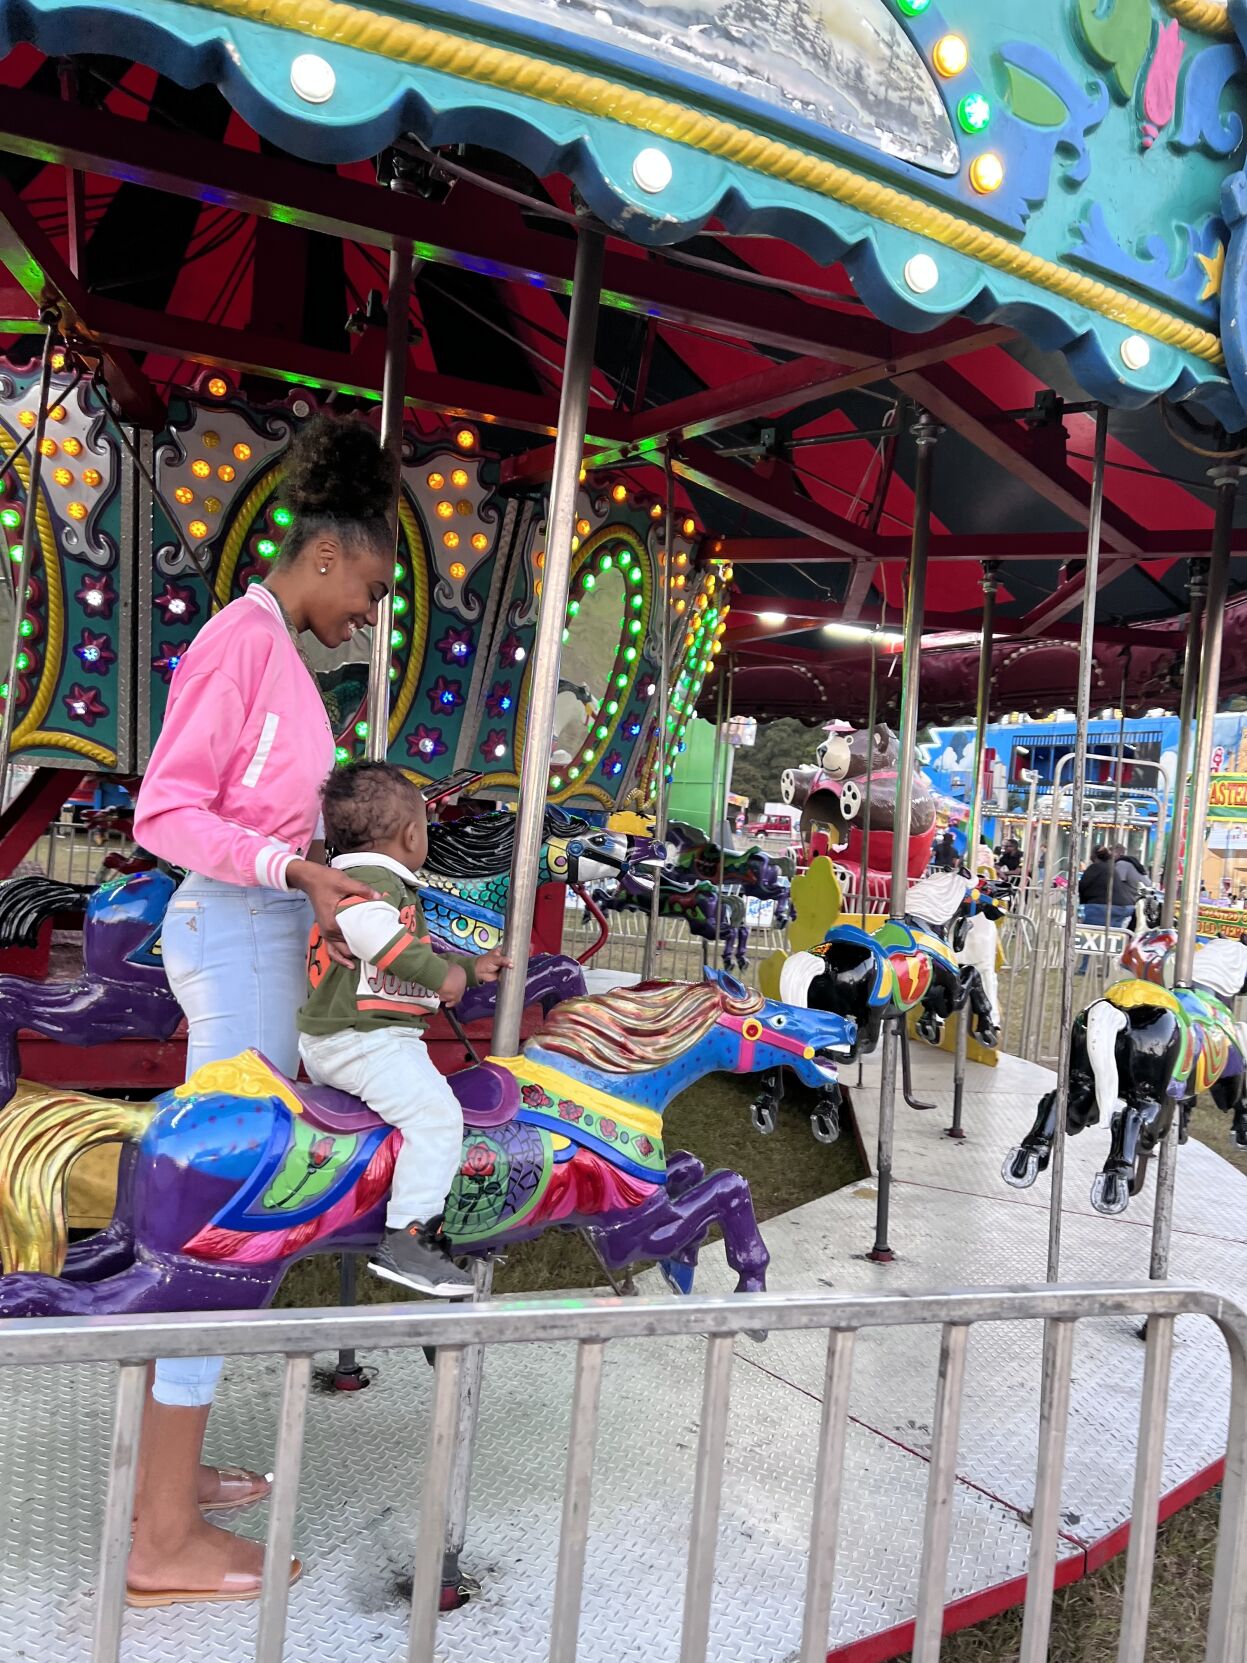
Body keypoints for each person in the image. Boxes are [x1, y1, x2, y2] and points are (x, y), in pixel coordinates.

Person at [128, 415, 399, 1604]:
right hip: (235, 936)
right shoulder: (242, 642)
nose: (370, 616)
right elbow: (165, 812)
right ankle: (159, 1544)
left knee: (238, 1204)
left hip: (261, 937)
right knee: (227, 1215)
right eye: (371, 590)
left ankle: (168, 1486)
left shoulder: (277, 649)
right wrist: (294, 874)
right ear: (326, 557)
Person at [298, 762, 510, 1292]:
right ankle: (409, 1239)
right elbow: (370, 931)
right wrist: (443, 976)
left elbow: (396, 951)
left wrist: (468, 967)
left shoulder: (376, 882)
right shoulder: (372, 884)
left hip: (358, 1037)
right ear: (413, 834)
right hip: (362, 1041)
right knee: (437, 1116)